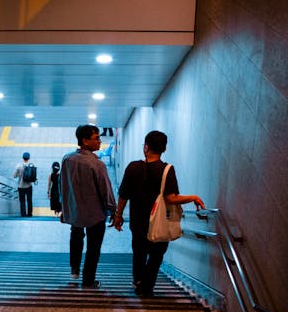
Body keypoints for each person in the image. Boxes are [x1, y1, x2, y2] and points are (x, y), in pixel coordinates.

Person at [112, 130, 204, 297]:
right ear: (164, 149)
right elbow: (171, 198)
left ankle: (138, 281)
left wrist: (118, 216)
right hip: (160, 223)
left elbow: (123, 195)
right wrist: (193, 197)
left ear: (146, 147)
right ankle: (147, 288)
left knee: (139, 254)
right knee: (156, 257)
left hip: (138, 223)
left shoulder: (133, 167)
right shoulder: (167, 170)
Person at [60, 125, 116, 288]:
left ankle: (74, 269)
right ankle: (88, 280)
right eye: (96, 138)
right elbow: (105, 190)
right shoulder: (96, 164)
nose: (100, 141)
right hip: (94, 213)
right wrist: (113, 209)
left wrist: (64, 207)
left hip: (75, 210)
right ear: (84, 141)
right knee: (94, 246)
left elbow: (61, 184)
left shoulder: (67, 158)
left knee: (76, 237)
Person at [12, 152, 35, 217]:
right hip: (29, 186)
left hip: (21, 186)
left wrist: (19, 174)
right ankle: (30, 214)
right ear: (29, 158)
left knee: (22, 201)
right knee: (29, 200)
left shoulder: (19, 166)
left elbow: (14, 176)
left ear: (23, 158)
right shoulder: (31, 165)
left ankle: (23, 214)